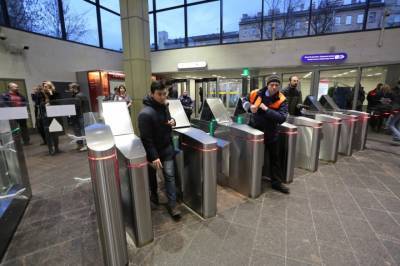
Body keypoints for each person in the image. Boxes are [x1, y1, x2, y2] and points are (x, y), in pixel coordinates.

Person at [138, 81, 181, 218]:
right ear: (152, 94)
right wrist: (154, 156)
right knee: (152, 177)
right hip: (153, 151)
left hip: (167, 148)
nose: (163, 97)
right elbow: (146, 138)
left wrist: (172, 121)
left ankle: (173, 204)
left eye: (164, 94)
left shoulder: (164, 107)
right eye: (159, 94)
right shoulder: (145, 114)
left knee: (169, 176)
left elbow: (168, 121)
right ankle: (154, 196)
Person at [242, 74, 290, 194]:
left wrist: (266, 109)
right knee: (253, 156)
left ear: (279, 86)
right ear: (267, 85)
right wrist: (249, 107)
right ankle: (249, 179)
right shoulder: (255, 93)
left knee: (274, 159)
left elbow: (282, 118)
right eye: (272, 85)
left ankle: (276, 183)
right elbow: (243, 100)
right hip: (254, 131)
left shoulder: (282, 99)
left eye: (277, 85)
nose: (274, 87)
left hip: (271, 133)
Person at [41, 81, 61, 155]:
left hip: (54, 115)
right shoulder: (41, 94)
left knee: (55, 132)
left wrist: (51, 93)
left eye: (47, 86)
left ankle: (56, 148)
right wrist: (45, 103)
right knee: (47, 133)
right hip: (45, 115)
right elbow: (39, 103)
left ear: (50, 86)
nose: (45, 88)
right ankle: (50, 149)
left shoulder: (55, 93)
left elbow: (57, 102)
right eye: (44, 86)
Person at [69, 83, 90, 151]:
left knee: (82, 130)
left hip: (80, 115)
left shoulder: (77, 96)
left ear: (75, 88)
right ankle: (85, 144)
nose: (69, 90)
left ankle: (85, 145)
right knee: (84, 130)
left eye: (71, 88)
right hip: (85, 114)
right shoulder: (82, 94)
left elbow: (77, 107)